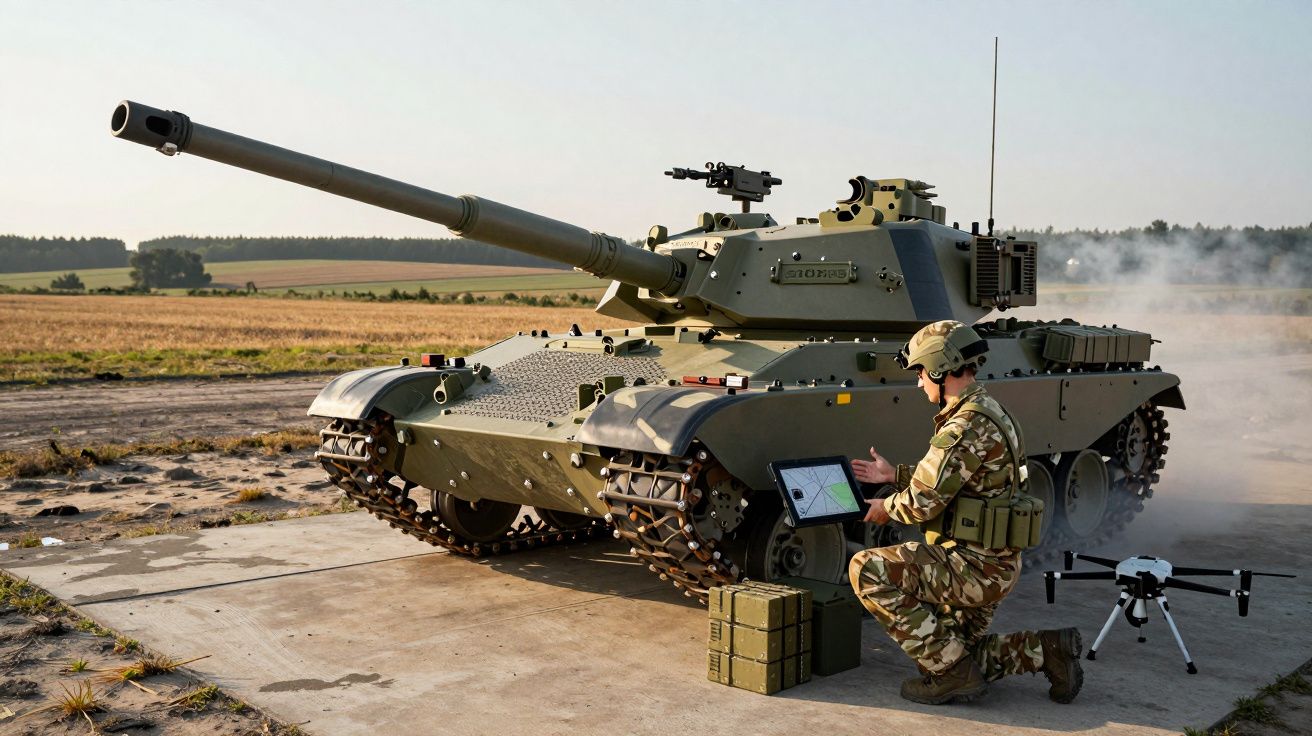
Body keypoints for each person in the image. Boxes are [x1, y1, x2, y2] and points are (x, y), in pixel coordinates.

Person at [847, 319, 1083, 705]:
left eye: (921, 372)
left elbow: (922, 502)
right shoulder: (988, 410)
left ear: (940, 369)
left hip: (973, 568)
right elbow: (959, 480)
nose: (919, 382)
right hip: (995, 563)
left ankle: (953, 676)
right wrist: (896, 474)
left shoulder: (963, 425)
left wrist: (883, 508)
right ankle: (1048, 650)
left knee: (866, 568)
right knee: (953, 652)